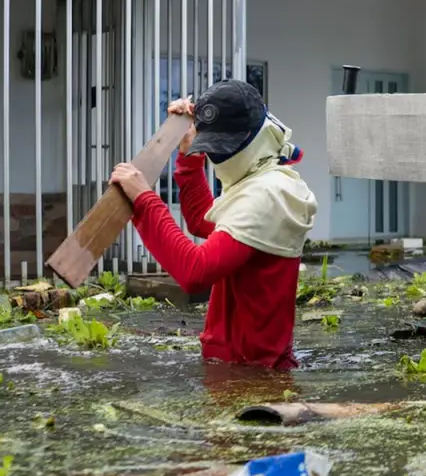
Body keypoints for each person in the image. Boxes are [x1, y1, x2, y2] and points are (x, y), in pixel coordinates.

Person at [109, 80, 317, 370]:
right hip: (234, 364)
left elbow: (196, 272)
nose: (218, 157)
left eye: (222, 148)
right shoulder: (257, 179)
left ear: (252, 139)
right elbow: (203, 221)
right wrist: (189, 154)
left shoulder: (269, 193)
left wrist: (145, 199)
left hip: (256, 374)